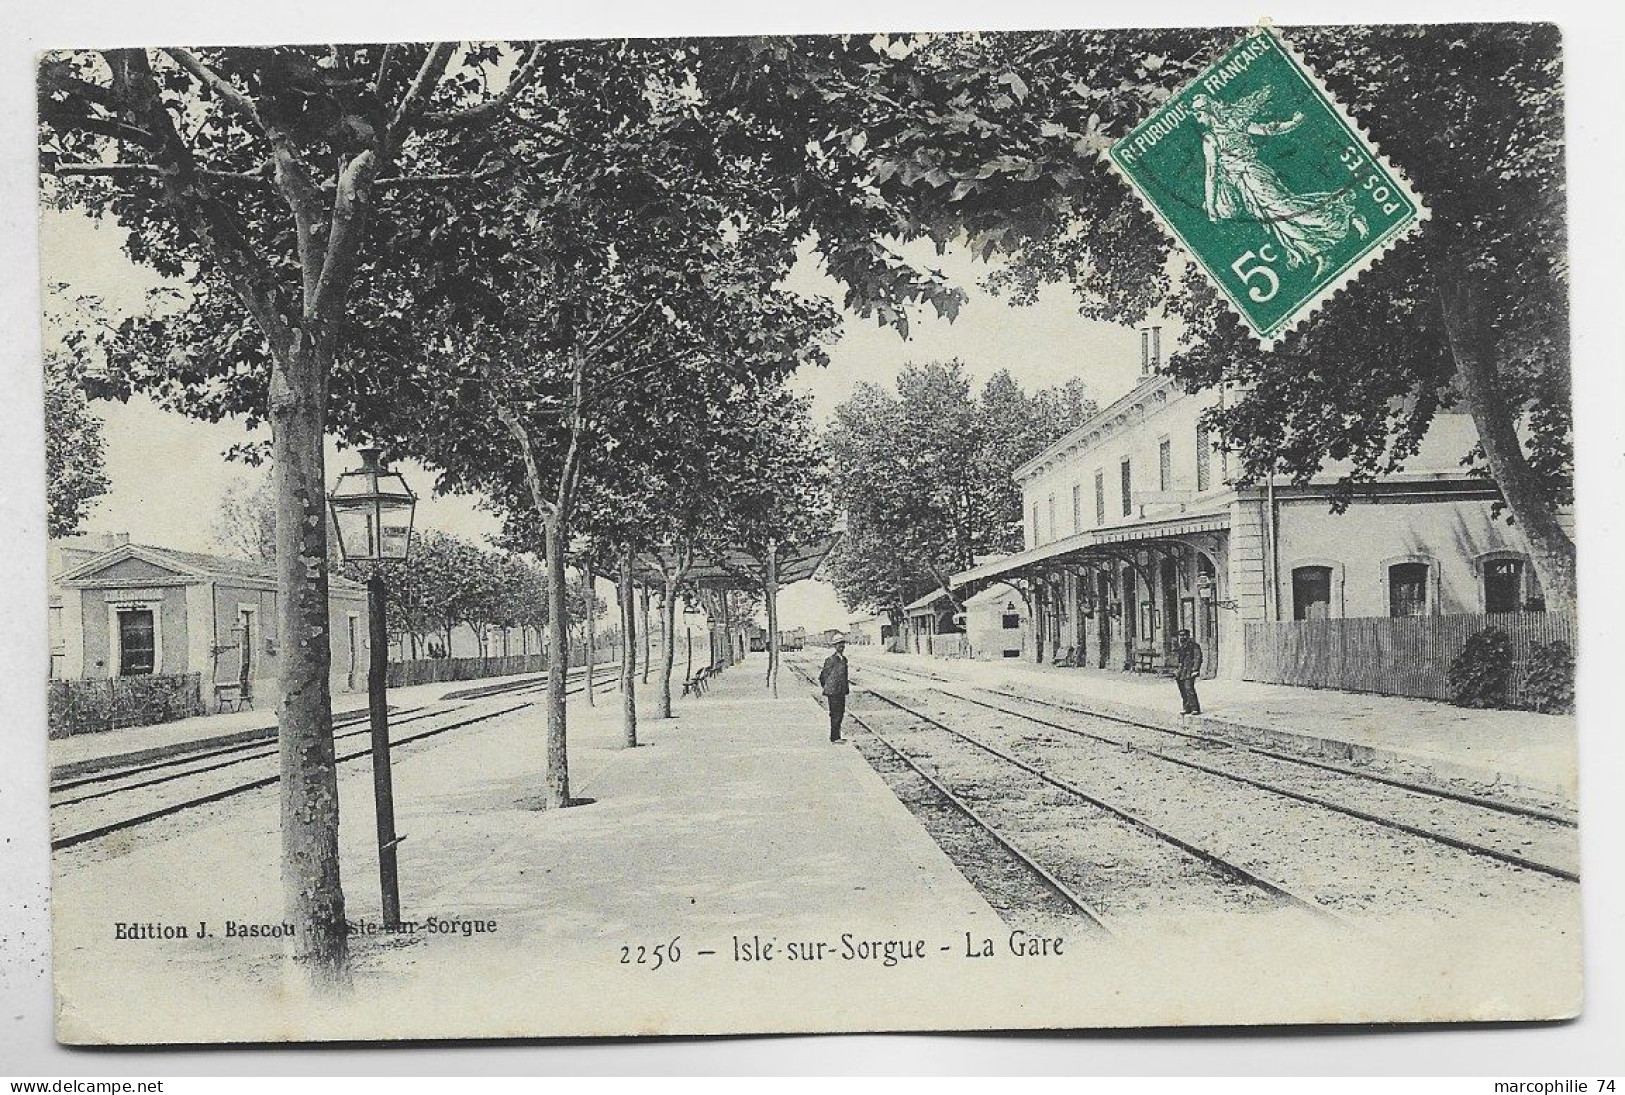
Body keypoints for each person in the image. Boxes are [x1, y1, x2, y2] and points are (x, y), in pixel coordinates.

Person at [818, 639, 851, 742]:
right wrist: (828, 687)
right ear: (835, 646)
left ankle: (837, 736)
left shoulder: (844, 659)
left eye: (842, 644)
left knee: (840, 713)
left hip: (841, 691)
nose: (841, 646)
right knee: (835, 714)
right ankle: (834, 737)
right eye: (839, 644)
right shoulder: (830, 660)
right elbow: (823, 676)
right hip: (833, 692)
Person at [1174, 628, 1203, 715]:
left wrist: (1195, 670)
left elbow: (1198, 658)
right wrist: (1177, 670)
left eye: (1184, 635)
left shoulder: (1194, 646)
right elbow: (1179, 660)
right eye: (1180, 635)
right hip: (1182, 671)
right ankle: (1187, 708)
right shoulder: (1182, 647)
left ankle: (1195, 708)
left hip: (1190, 670)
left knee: (1189, 688)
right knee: (1182, 689)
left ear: (1188, 636)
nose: (1182, 637)